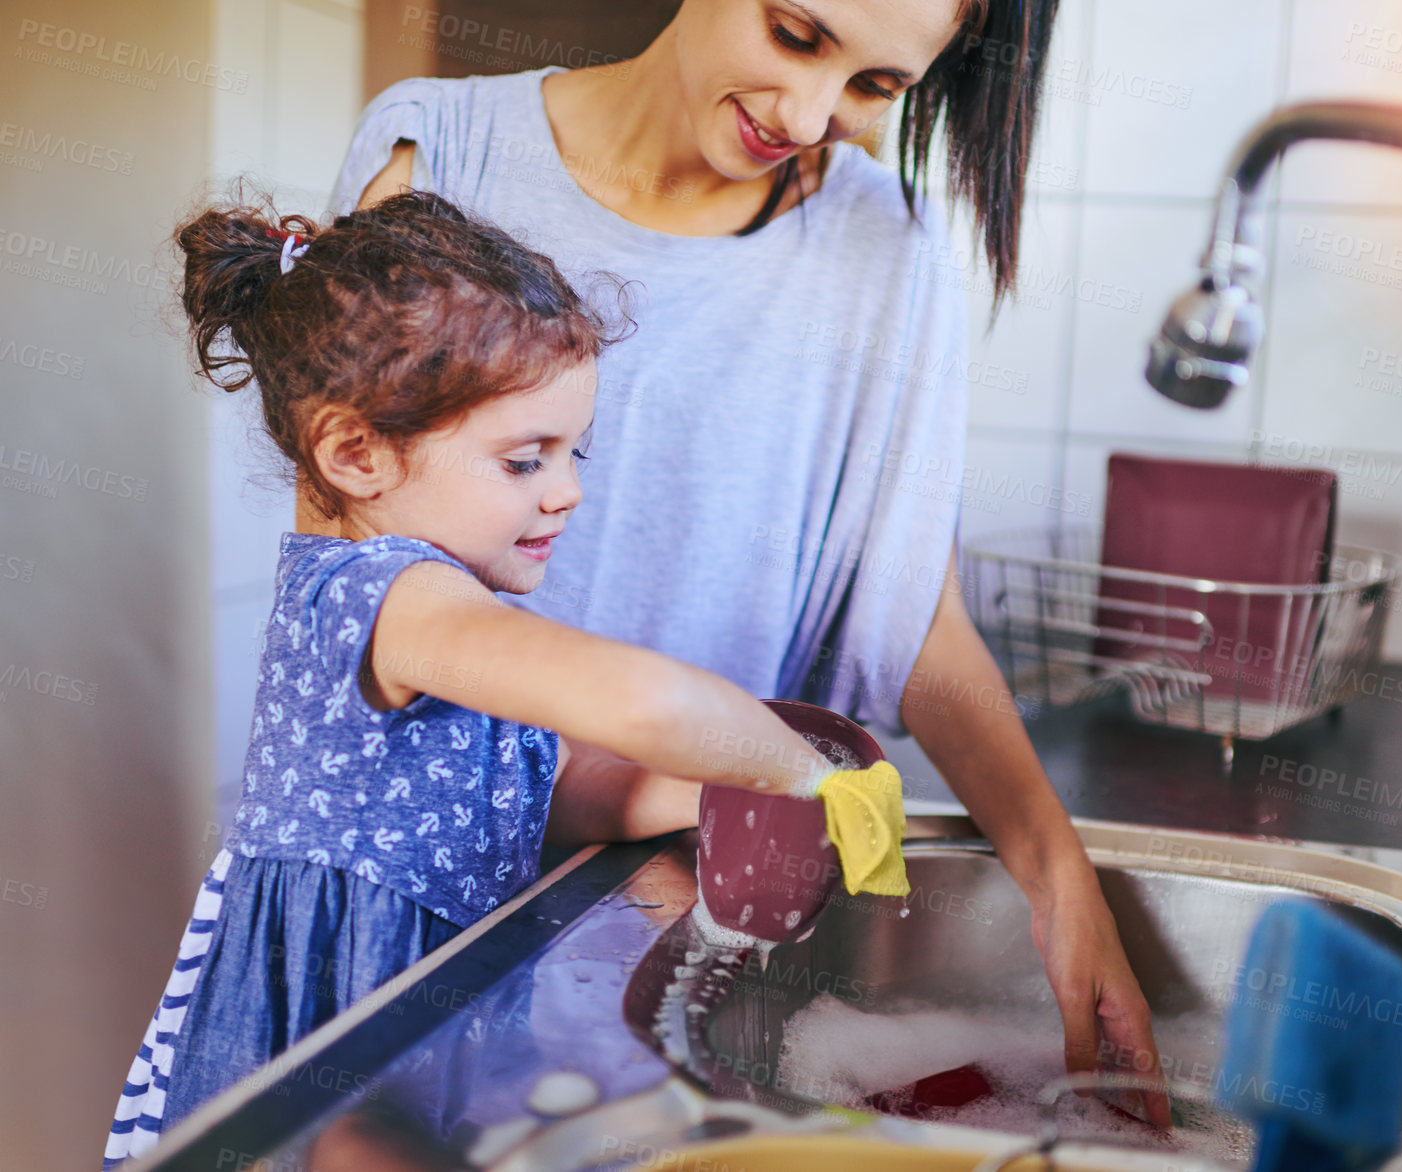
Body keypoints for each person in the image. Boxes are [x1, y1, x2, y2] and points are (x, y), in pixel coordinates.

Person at [319, 0, 1171, 1128]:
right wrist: (705, 759)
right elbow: (354, 591)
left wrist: (1057, 872)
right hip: (430, 913)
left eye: (876, 88)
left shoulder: (888, 249)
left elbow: (910, 612)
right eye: (796, 35)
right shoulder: (441, 160)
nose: (812, 114)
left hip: (690, 920)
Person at [103, 189, 902, 1167]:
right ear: (356, 451)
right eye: (525, 459)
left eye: (575, 452)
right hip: (343, 1035)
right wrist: (803, 772)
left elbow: (532, 791)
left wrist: (694, 790)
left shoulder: (437, 606)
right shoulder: (388, 598)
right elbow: (646, 702)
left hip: (425, 1029)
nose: (566, 489)